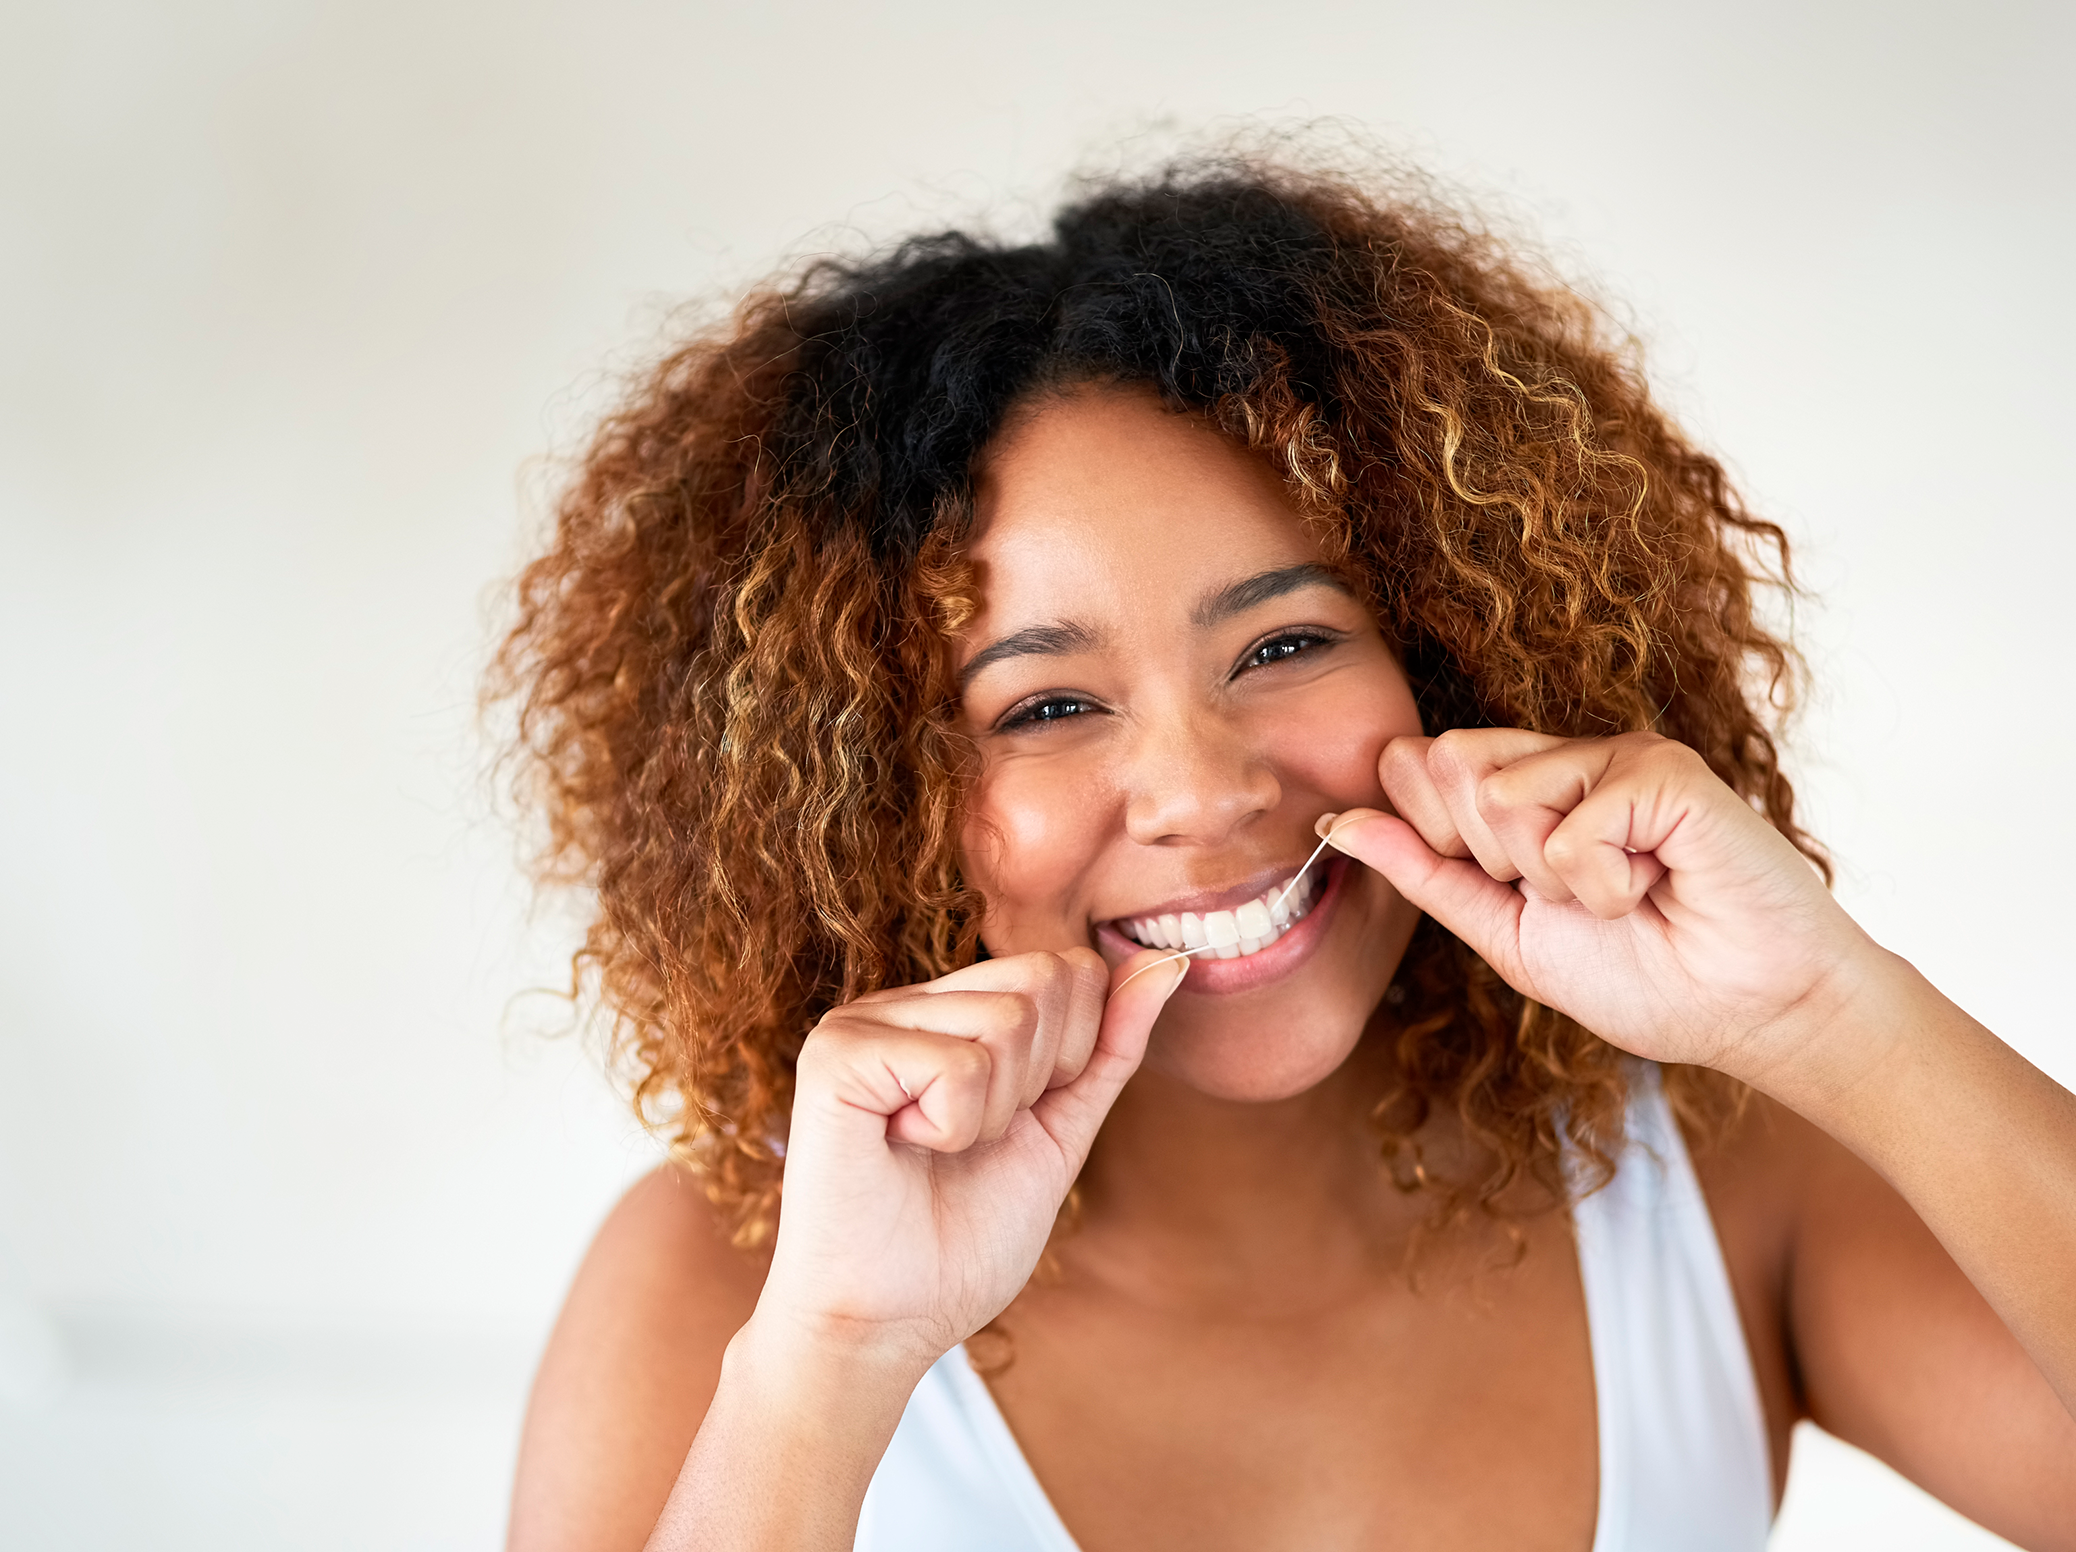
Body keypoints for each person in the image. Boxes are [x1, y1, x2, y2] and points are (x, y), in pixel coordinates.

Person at [490, 157, 2076, 1551]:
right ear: (865, 795)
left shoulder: (1718, 1178)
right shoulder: (739, 1289)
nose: (1199, 789)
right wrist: (831, 1363)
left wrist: (1832, 1017)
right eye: (1044, 702)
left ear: (1453, 660)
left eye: (1284, 643)